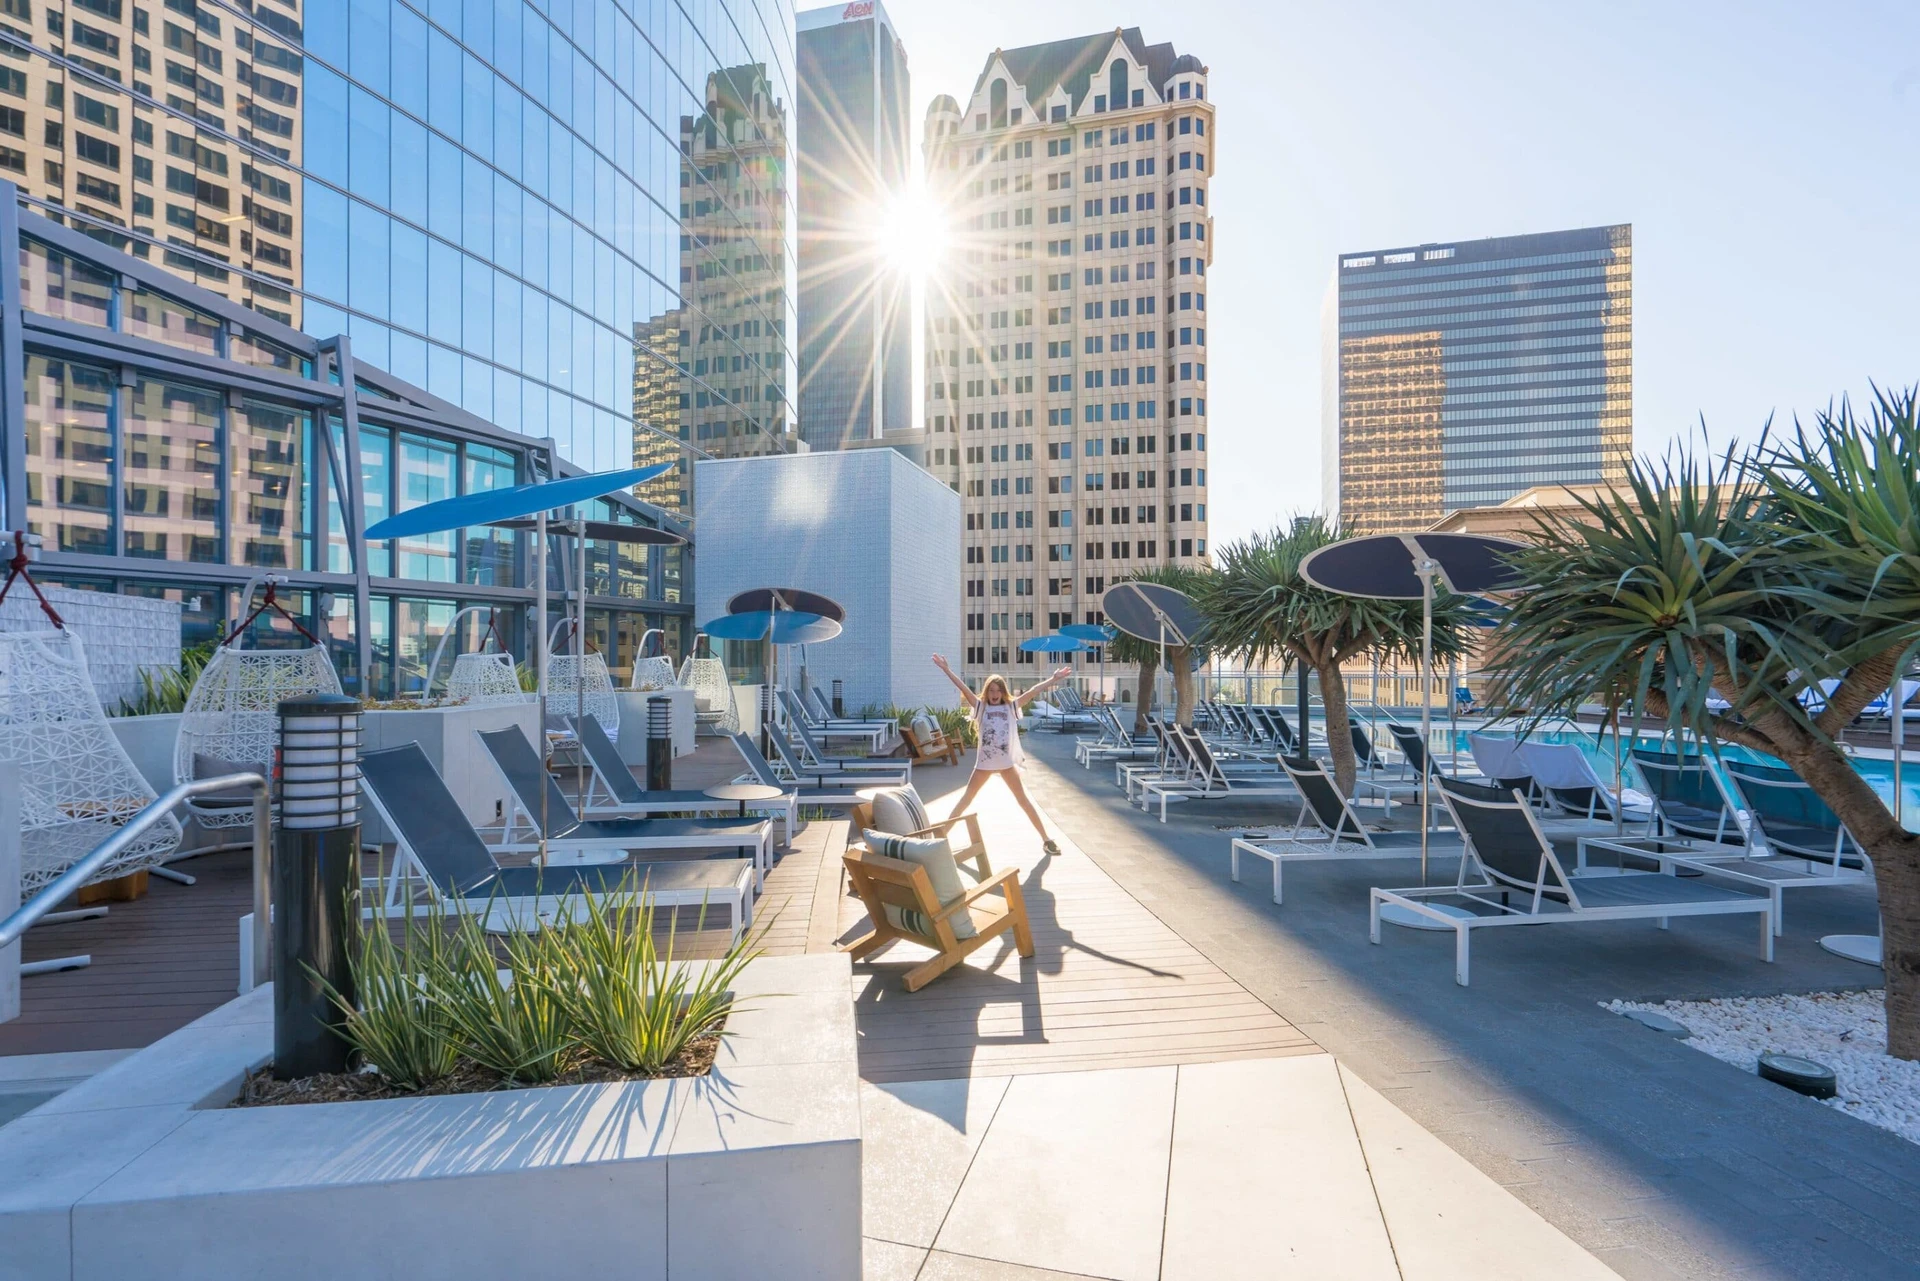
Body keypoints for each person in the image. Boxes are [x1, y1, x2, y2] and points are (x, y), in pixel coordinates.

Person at [931, 654, 1074, 855]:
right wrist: (946, 669)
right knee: (966, 799)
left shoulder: (1011, 706)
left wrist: (1054, 679)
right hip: (984, 764)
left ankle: (1046, 839)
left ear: (1003, 692)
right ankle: (941, 836)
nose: (995, 693)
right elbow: (963, 687)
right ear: (987, 692)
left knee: (1023, 800)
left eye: (998, 690)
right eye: (991, 690)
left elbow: (1033, 691)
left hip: (1006, 764)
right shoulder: (981, 707)